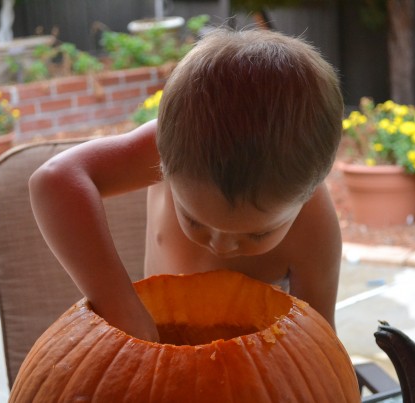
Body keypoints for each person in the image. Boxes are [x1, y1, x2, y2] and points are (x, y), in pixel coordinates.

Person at [29, 27, 344, 343]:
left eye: (258, 233)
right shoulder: (176, 146)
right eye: (195, 221)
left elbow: (319, 346)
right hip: (151, 358)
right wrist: (122, 310)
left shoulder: (315, 224)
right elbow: (54, 181)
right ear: (162, 164)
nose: (221, 245)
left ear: (307, 192)